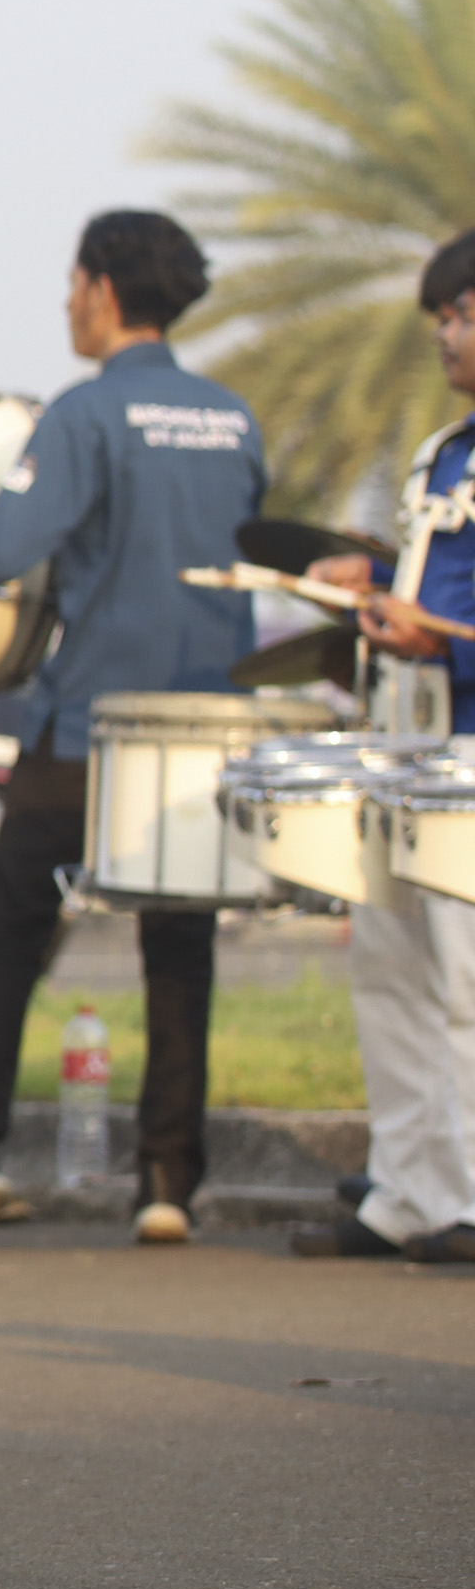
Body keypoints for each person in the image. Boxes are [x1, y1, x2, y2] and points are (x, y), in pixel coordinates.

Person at [0, 213, 261, 1245]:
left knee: (7, 938)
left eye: (72, 283)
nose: (67, 302)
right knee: (180, 944)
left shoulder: (87, 410)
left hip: (90, 727)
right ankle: (167, 1181)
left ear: (104, 288)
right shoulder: (231, 418)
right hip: (209, 725)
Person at [296, 229, 475, 1263]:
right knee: (395, 977)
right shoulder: (442, 453)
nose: (445, 335)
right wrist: (371, 584)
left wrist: (433, 635)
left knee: (467, 986)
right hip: (410, 745)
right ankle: (412, 1192)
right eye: (438, 319)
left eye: (461, 314)